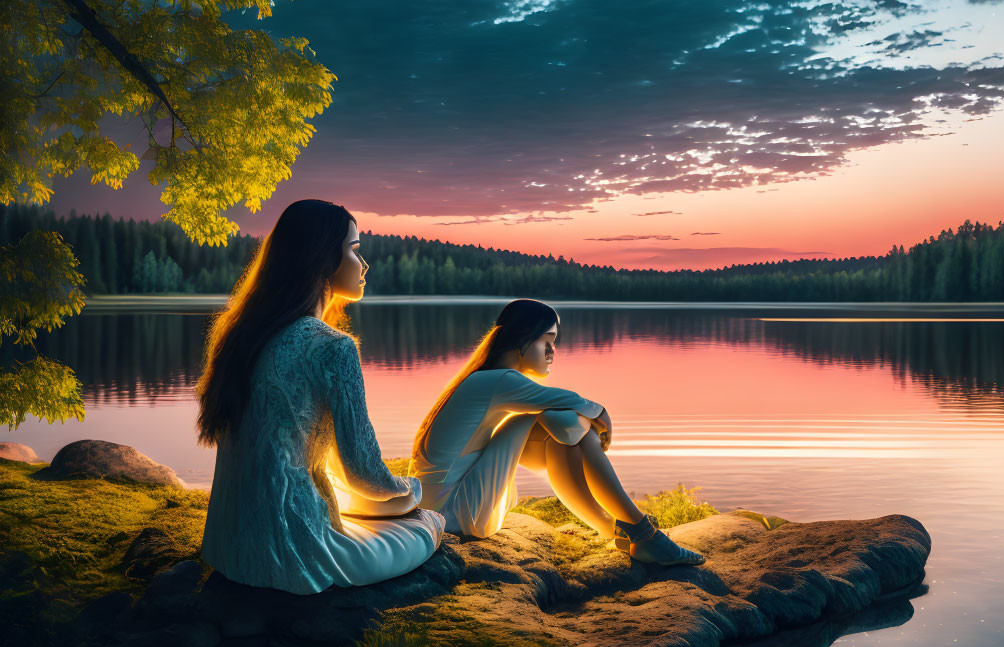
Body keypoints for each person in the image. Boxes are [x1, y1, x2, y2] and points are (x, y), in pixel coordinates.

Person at [197, 199, 444, 594]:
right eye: (355, 249)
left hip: (230, 547)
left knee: (368, 505)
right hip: (297, 551)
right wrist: (412, 489)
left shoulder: (244, 336)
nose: (363, 266)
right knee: (428, 523)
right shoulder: (332, 347)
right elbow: (363, 474)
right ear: (322, 257)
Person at [412, 299, 704, 566]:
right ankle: (642, 533)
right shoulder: (500, 379)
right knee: (554, 420)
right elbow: (568, 404)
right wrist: (601, 415)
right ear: (522, 340)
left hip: (445, 505)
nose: (553, 352)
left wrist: (588, 421)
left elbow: (565, 414)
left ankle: (615, 528)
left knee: (558, 434)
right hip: (452, 513)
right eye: (546, 341)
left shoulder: (485, 379)